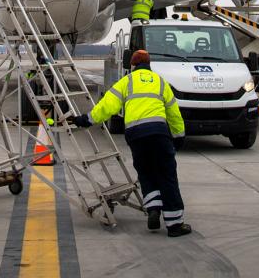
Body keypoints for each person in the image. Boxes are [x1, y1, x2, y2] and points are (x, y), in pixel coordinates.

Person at [72, 49, 190, 237]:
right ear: (149, 65)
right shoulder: (160, 83)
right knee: (167, 175)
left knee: (145, 173)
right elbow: (174, 113)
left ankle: (153, 210)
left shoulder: (126, 82)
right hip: (159, 133)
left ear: (132, 66)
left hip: (136, 135)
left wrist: (86, 119)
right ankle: (175, 224)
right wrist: (179, 136)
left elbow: (106, 106)